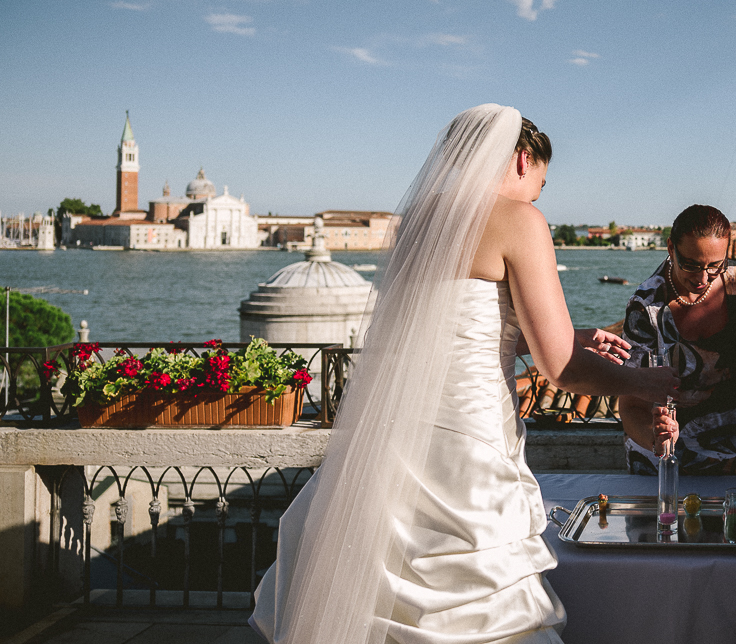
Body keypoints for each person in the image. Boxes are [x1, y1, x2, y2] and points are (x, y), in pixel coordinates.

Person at [249, 105, 677, 644]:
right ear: (524, 160)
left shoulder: (421, 224)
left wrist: (573, 335)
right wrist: (644, 382)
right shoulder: (518, 219)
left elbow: (449, 324)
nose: (535, 199)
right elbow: (562, 369)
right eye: (538, 187)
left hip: (396, 435)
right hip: (470, 440)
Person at [619, 204, 736, 474]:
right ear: (670, 248)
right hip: (673, 456)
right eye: (690, 265)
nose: (702, 278)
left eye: (715, 266)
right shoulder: (646, 308)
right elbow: (631, 405)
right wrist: (657, 438)